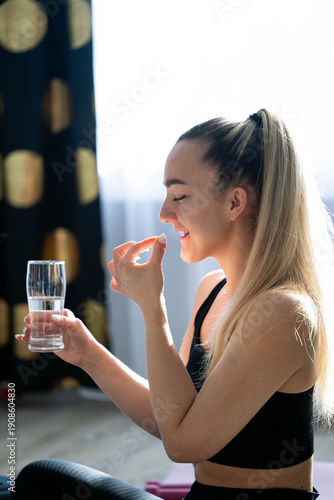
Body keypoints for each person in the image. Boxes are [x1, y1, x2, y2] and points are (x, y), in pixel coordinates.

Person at [15, 109, 334, 499]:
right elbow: (170, 417)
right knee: (40, 476)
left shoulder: (283, 312)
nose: (165, 214)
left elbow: (183, 446)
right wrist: (87, 354)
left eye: (179, 196)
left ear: (235, 203)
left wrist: (153, 309)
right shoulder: (212, 289)